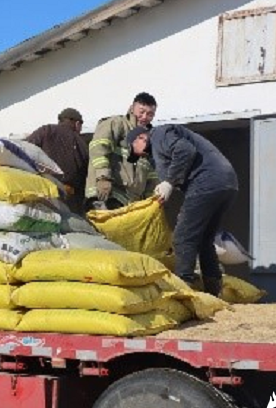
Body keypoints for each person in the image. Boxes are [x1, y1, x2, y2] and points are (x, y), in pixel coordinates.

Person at [125, 123, 238, 296]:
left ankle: (184, 290)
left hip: (206, 182)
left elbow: (185, 150)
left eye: (136, 150)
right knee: (204, 239)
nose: (140, 156)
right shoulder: (159, 145)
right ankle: (214, 290)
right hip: (226, 183)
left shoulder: (159, 135)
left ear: (141, 138)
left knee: (183, 237)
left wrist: (169, 182)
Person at [84, 92, 159, 210]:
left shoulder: (146, 138)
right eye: (142, 111)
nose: (145, 117)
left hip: (131, 202)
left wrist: (151, 200)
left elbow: (150, 172)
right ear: (132, 108)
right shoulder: (116, 123)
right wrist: (103, 177)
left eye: (150, 114)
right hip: (107, 194)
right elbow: (98, 148)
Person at [25, 107, 88, 215]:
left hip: (42, 190)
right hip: (68, 195)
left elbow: (25, 150)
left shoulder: (46, 130)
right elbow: (85, 174)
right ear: (77, 124)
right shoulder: (81, 142)